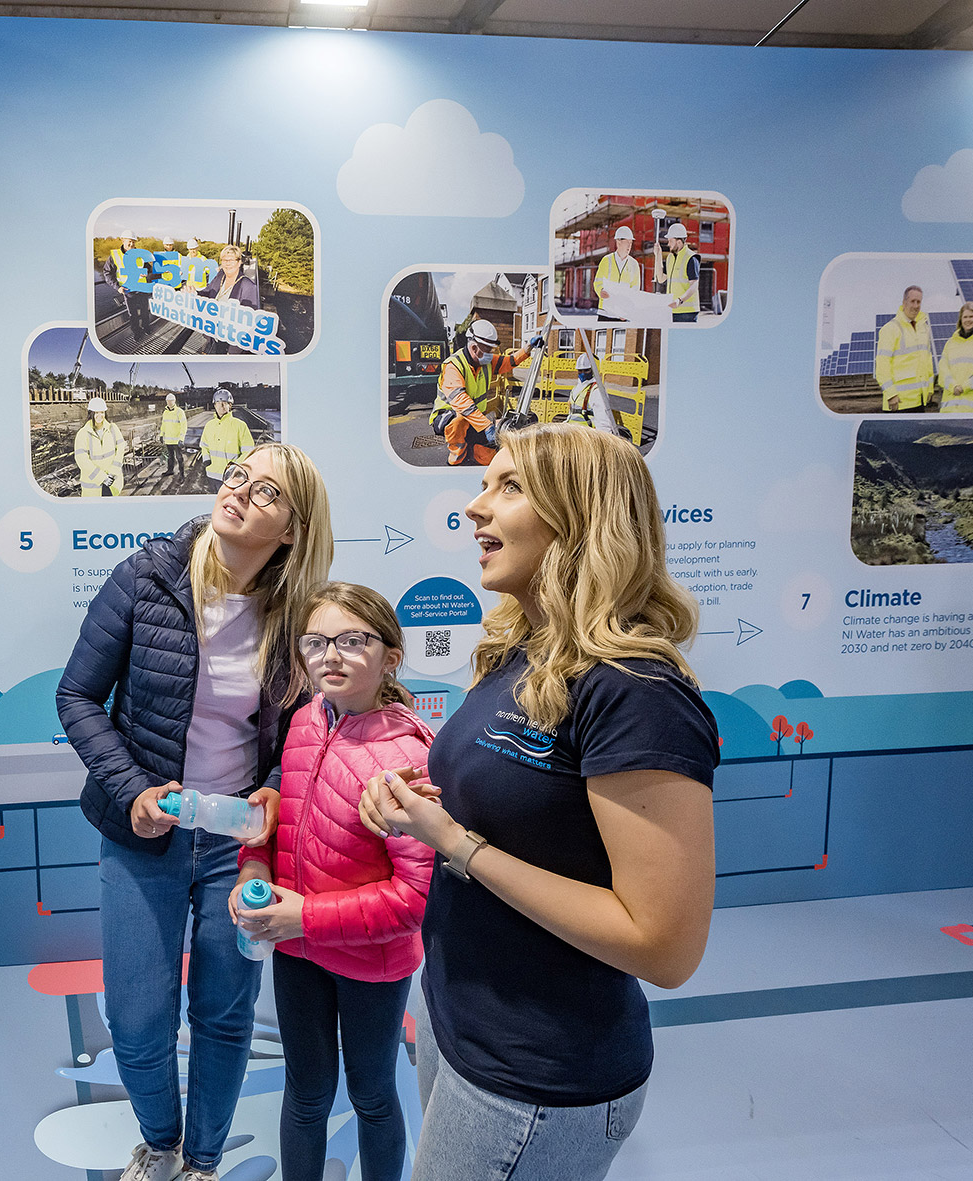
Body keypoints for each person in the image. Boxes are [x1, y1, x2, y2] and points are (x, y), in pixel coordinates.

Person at [360, 424, 718, 1181]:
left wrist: (459, 843)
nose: (475, 506)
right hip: (459, 1026)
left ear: (580, 516)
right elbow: (529, 812)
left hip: (536, 1081)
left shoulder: (638, 694)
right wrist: (425, 810)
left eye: (509, 487)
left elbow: (664, 945)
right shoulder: (528, 649)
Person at [58, 444, 335, 1181]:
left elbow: (303, 728)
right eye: (238, 474)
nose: (240, 491)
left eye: (268, 491)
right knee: (139, 1021)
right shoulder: (146, 577)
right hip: (141, 832)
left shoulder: (298, 614)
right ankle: (160, 1142)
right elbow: (76, 697)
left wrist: (275, 787)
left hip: (235, 843)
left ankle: (202, 1161)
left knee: (223, 1013)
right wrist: (133, 791)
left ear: (291, 531)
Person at [231, 582, 435, 1181]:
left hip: (372, 962)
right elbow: (275, 821)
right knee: (306, 1094)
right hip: (298, 953)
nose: (331, 655)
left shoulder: (410, 757)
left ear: (390, 657)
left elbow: (414, 900)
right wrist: (254, 869)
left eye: (352, 640)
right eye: (316, 641)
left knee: (372, 1094)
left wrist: (306, 917)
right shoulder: (302, 723)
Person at [428, 319, 543, 467]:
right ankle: (456, 459)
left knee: (488, 458)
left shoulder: (484, 361)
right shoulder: (453, 366)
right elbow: (461, 402)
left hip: (474, 419)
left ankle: (471, 450)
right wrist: (486, 426)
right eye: (487, 350)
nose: (490, 354)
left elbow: (509, 361)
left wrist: (528, 348)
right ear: (474, 348)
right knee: (459, 420)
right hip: (448, 417)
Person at [874, 285, 935, 412]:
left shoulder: (923, 329)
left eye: (919, 302)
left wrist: (929, 388)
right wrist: (891, 394)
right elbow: (882, 364)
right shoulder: (890, 329)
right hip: (898, 402)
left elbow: (927, 361)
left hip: (919, 400)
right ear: (904, 302)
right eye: (912, 301)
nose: (916, 305)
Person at [198, 245, 261, 355]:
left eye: (231, 260)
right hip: (212, 334)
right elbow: (207, 292)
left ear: (239, 262)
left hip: (229, 343)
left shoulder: (248, 286)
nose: (227, 263)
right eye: (224, 260)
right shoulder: (221, 275)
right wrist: (193, 293)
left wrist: (232, 353)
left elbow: (249, 324)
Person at [938, 300, 973, 413]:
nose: (968, 320)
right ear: (960, 320)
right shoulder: (951, 342)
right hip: (948, 407)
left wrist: (964, 387)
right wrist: (953, 386)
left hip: (971, 409)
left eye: (971, 316)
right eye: (965, 317)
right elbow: (943, 369)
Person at [199, 390, 255, 491]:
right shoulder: (209, 425)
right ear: (214, 405)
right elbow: (204, 445)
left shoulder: (240, 426)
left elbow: (249, 451)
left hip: (231, 477)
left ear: (230, 405)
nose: (222, 406)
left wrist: (234, 467)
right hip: (211, 475)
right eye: (218, 403)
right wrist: (206, 459)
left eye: (225, 403)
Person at [107, 234, 155, 344]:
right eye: (129, 241)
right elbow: (108, 273)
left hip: (142, 289)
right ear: (123, 240)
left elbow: (149, 269)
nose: (132, 244)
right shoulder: (115, 255)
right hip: (128, 291)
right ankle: (137, 333)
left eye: (133, 242)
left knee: (144, 312)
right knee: (132, 314)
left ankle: (146, 328)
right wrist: (117, 287)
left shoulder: (140, 254)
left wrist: (146, 273)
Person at [75, 397, 127, 497]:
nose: (100, 416)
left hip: (112, 482)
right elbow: (82, 460)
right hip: (93, 486)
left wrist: (113, 473)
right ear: (91, 414)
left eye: (102, 412)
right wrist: (102, 477)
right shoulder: (83, 433)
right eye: (96, 413)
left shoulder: (113, 428)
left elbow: (120, 449)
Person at [564, 352, 622, 437]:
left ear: (593, 369)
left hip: (586, 435)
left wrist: (604, 440)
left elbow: (603, 420)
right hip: (572, 432)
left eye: (586, 370)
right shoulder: (576, 389)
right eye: (580, 370)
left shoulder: (596, 391)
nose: (583, 373)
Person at [593, 226, 641, 321]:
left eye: (631, 243)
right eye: (627, 242)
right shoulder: (607, 260)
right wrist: (601, 291)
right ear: (618, 242)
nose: (629, 246)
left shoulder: (634, 264)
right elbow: (598, 282)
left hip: (623, 314)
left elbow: (635, 290)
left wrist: (627, 311)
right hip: (606, 312)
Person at [661, 222, 701, 323]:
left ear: (679, 242)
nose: (668, 244)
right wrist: (657, 256)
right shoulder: (670, 257)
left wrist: (679, 301)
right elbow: (661, 278)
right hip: (672, 310)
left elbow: (694, 285)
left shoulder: (691, 258)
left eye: (670, 241)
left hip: (687, 312)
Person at [159, 393, 188, 481]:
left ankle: (182, 475)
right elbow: (163, 424)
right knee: (170, 457)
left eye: (171, 401)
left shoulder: (179, 412)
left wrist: (181, 439)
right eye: (168, 401)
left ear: (174, 401)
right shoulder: (165, 412)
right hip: (168, 440)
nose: (169, 402)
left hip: (177, 440)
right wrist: (161, 435)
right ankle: (170, 470)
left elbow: (184, 425)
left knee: (179, 458)